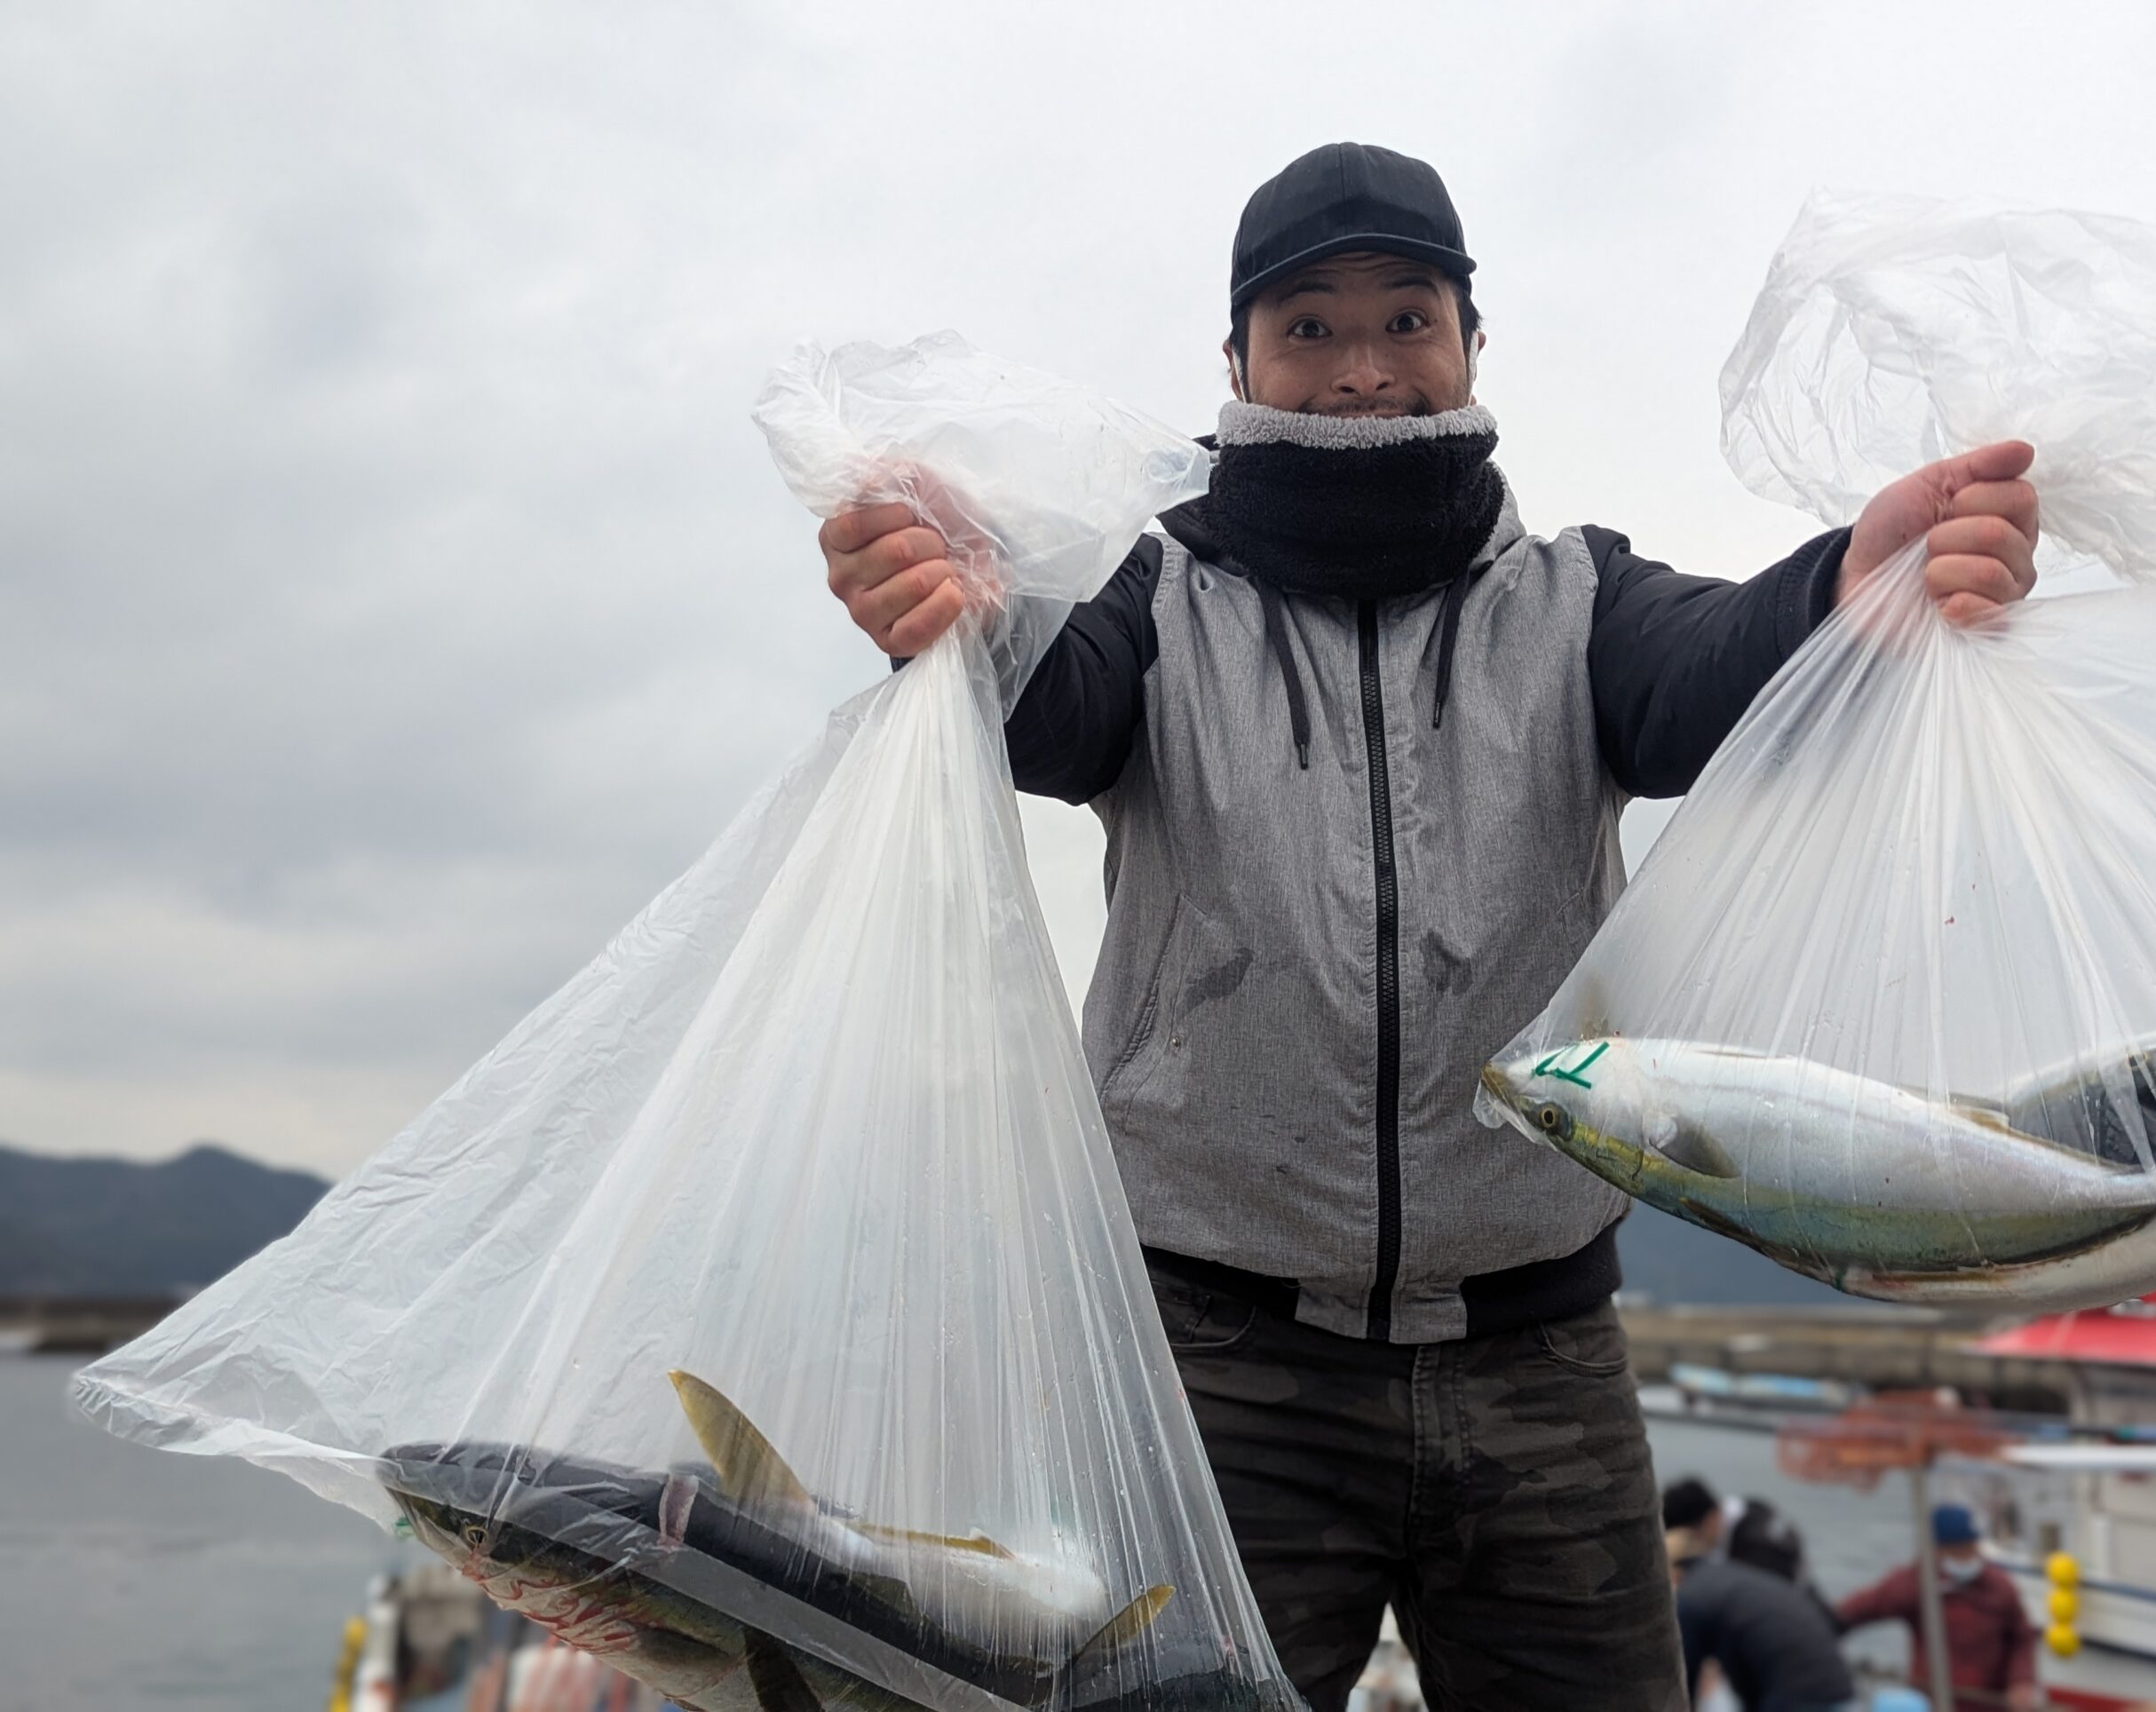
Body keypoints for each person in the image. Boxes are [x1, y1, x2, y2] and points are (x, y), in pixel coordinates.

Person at [818, 142, 2039, 1709]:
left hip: (1545, 1363)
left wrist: (1847, 590)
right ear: (1239, 360)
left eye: (1408, 317)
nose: (1363, 367)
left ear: (1470, 341)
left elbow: (1711, 675)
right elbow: (1048, 703)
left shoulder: (1575, 597)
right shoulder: (1152, 600)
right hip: (1215, 1368)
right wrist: (960, 614)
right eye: (1309, 328)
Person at [1666, 1483, 1858, 1712]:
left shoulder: (1698, 1590)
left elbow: (1685, 1679)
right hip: (1833, 1679)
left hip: (1803, 1690)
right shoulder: (1731, 1563)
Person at [1837, 1504, 2041, 1710]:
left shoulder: (1999, 1586)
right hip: (1935, 1702)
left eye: (1971, 1547)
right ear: (1937, 1550)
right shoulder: (1917, 1582)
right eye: (1958, 1550)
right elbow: (1852, 1611)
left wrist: (2022, 1681)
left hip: (1989, 1703)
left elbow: (2022, 1637)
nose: (1967, 1557)